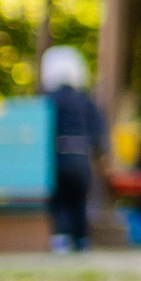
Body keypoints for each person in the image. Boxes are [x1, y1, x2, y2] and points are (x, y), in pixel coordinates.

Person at [40, 46, 106, 252]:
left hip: (56, 161)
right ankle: (81, 239)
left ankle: (61, 238)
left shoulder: (47, 102)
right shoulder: (86, 102)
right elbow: (99, 136)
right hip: (81, 160)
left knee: (59, 200)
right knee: (79, 200)